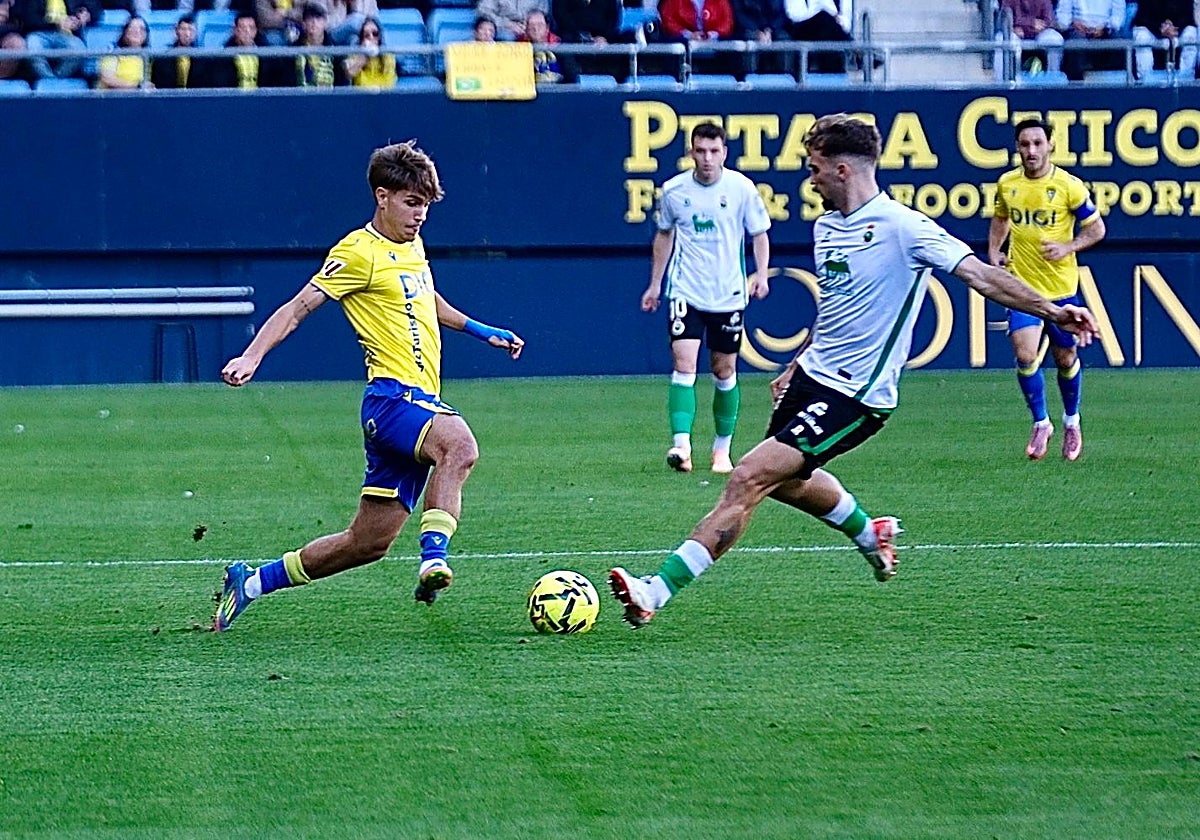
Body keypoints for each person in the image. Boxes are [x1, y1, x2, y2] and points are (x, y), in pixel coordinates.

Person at [609, 114, 1100, 629]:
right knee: (788, 481)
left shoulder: (904, 227)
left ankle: (655, 591)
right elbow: (838, 309)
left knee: (749, 477)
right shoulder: (825, 226)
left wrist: (1052, 309)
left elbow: (981, 275)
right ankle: (871, 533)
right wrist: (797, 363)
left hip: (858, 395)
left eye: (814, 167)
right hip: (813, 378)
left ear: (843, 170)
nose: (810, 177)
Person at [213, 141, 524, 632]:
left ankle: (250, 583)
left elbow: (427, 297)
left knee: (368, 543)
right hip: (392, 398)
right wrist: (252, 356)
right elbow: (298, 307)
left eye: (424, 204)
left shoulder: (411, 246)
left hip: (417, 402)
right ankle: (433, 560)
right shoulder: (357, 252)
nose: (419, 214)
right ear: (382, 196)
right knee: (459, 446)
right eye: (410, 202)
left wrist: (481, 330)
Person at [640, 122, 771, 476]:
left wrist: (760, 273)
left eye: (714, 151)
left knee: (723, 370)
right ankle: (681, 446)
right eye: (701, 151)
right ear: (691, 152)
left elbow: (759, 233)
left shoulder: (741, 189)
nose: (707, 158)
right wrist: (655, 284)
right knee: (684, 365)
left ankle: (721, 451)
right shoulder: (674, 190)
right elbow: (664, 236)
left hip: (728, 293)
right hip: (686, 290)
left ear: (725, 152)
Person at [988, 117, 1106, 462]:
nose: (1031, 151)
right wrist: (995, 250)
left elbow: (1097, 228)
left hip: (1060, 288)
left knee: (1064, 358)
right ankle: (1041, 422)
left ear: (1051, 145)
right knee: (1025, 355)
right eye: (1025, 144)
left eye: (1038, 143)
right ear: (1017, 148)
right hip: (1022, 288)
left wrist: (1068, 247)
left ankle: (1072, 420)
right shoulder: (1008, 183)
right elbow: (1000, 217)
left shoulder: (1069, 186)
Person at [21, 0, 100, 82]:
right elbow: (25, 16)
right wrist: (56, 22)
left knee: (78, 49)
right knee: (34, 46)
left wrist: (85, 13)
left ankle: (57, 81)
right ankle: (49, 82)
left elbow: (95, 6)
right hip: (38, 31)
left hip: (68, 34)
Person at [1056, 0, 1127, 80]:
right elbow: (1063, 16)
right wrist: (1073, 23)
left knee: (1117, 43)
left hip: (1105, 29)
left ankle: (1115, 85)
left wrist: (1105, 26)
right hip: (1077, 29)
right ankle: (1077, 85)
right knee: (1076, 44)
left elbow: (1118, 15)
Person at [992, 0, 1064, 80]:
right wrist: (1030, 23)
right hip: (1016, 31)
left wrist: (1028, 27)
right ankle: (1001, 82)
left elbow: (1049, 21)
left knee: (1055, 39)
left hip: (1039, 32)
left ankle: (1053, 79)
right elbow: (1005, 19)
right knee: (1001, 39)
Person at [1130, 0, 1197, 80]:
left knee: (1191, 34)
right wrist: (1160, 28)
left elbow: (1188, 16)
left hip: (1177, 29)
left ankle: (1186, 79)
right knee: (1141, 37)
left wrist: (1174, 28)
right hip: (1151, 28)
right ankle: (1145, 80)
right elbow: (1143, 16)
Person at [781, 0, 851, 73]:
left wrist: (837, 19)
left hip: (830, 28)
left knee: (826, 26)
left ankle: (831, 76)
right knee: (824, 19)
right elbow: (794, 15)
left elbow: (847, 23)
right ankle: (832, 75)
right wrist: (823, 11)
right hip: (801, 27)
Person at [293, 2, 348, 86]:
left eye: (318, 18)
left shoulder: (335, 51)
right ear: (303, 24)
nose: (314, 22)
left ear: (325, 23)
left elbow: (340, 81)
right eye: (309, 18)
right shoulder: (292, 50)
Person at [520, 8, 576, 82]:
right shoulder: (519, 46)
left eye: (540, 25)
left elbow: (571, 73)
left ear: (547, 28)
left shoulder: (559, 44)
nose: (536, 29)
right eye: (531, 25)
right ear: (526, 28)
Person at [97, 15, 151, 89]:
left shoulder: (147, 56)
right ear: (125, 31)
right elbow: (107, 79)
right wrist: (137, 87)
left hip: (137, 97)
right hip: (111, 97)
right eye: (132, 28)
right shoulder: (113, 50)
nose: (137, 31)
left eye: (141, 29)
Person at [344, 15, 396, 86]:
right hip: (362, 95)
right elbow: (350, 74)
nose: (371, 37)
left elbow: (389, 83)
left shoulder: (388, 56)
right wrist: (364, 56)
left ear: (380, 37)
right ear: (362, 39)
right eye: (366, 35)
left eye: (375, 34)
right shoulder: (355, 55)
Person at [475, 0, 547, 41]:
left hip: (529, 25)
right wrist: (507, 24)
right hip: (503, 27)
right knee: (507, 37)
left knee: (540, 34)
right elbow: (483, 10)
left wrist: (529, 24)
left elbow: (542, 12)